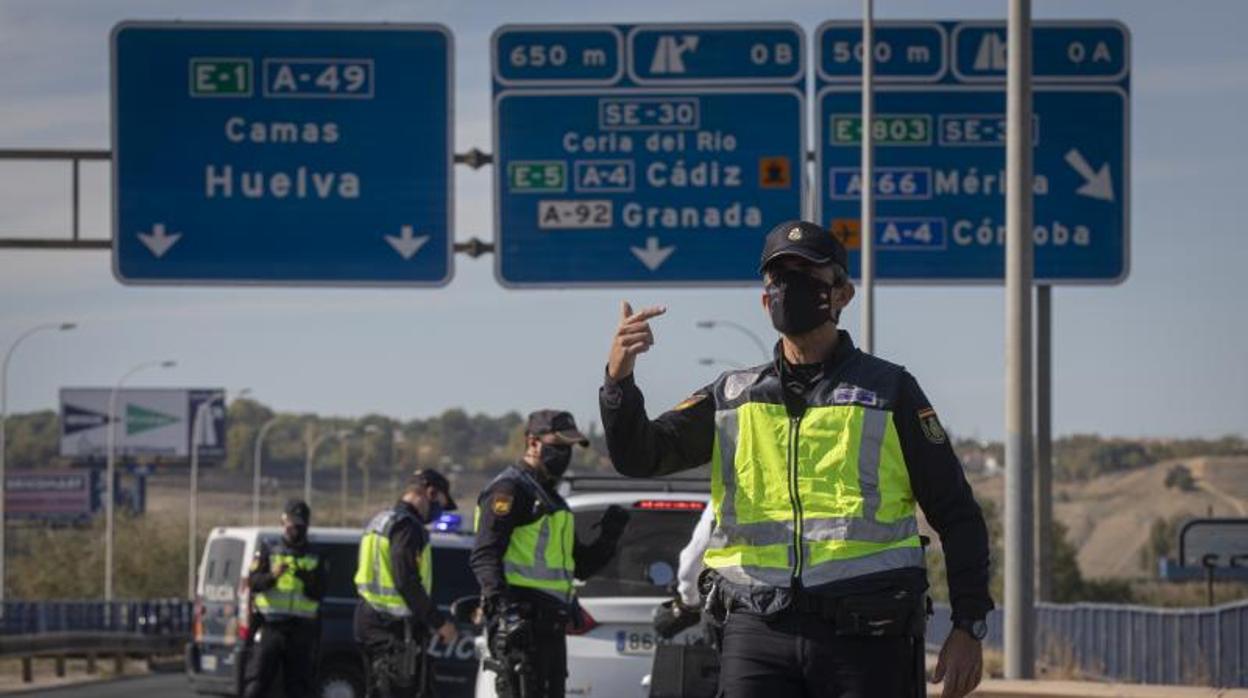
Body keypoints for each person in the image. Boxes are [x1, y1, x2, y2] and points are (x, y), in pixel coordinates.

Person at [600, 220, 994, 698]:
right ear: (766, 301)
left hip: (869, 631)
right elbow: (640, 456)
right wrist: (618, 382)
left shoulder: (890, 391)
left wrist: (968, 625)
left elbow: (957, 513)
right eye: (778, 279)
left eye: (807, 276)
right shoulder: (733, 396)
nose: (789, 289)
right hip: (756, 627)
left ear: (842, 294)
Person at [469, 409, 631, 698]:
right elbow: (485, 554)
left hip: (550, 624)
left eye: (568, 449)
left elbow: (579, 567)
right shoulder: (510, 490)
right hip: (520, 623)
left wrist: (609, 536)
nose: (564, 455)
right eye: (558, 446)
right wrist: (506, 611)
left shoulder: (553, 500)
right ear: (532, 443)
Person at [354, 470, 458, 697]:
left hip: (370, 622)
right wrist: (439, 622)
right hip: (395, 631)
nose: (439, 511)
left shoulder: (380, 521)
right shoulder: (407, 527)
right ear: (430, 493)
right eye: (440, 502)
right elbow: (406, 580)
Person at [242, 499, 325, 698]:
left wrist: (306, 579)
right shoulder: (269, 550)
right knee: (258, 683)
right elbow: (253, 583)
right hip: (272, 627)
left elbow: (320, 592)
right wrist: (272, 576)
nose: (294, 529)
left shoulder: (315, 555)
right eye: (291, 524)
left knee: (299, 686)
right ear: (283, 523)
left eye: (299, 525)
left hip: (301, 630)